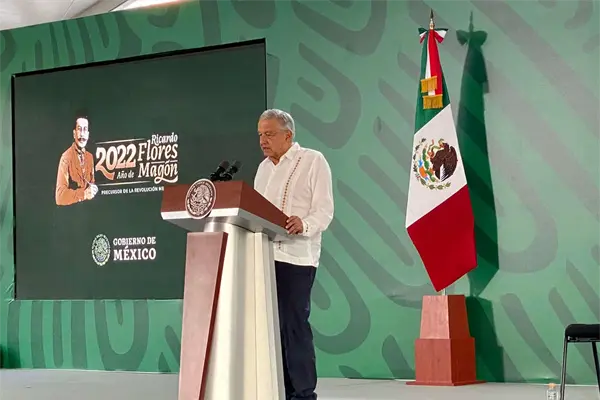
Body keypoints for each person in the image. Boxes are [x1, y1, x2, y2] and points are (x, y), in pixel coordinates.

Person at [254, 109, 334, 400]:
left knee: (293, 326)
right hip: (263, 257)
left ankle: (303, 393)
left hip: (296, 258)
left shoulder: (312, 160)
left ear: (288, 135)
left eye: (269, 134)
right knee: (270, 330)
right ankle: (279, 391)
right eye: (260, 135)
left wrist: (304, 224)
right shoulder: (263, 169)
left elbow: (324, 210)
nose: (263, 140)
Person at [55, 116, 97, 206]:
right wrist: (84, 194)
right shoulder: (66, 157)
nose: (82, 134)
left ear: (88, 134)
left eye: (85, 129)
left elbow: (92, 183)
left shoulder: (90, 157)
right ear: (74, 133)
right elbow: (60, 197)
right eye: (79, 129)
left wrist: (93, 189)